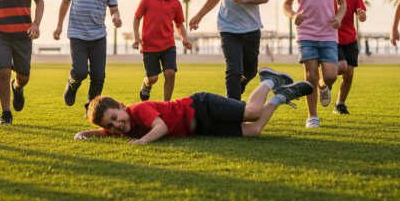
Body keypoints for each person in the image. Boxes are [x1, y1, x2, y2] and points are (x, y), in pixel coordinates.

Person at [75, 68, 313, 144]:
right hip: (199, 128)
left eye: (116, 116)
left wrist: (142, 141)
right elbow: (102, 131)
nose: (118, 125)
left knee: (252, 113)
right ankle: (281, 96)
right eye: (112, 125)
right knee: (254, 130)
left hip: (200, 106)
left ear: (122, 106)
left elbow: (161, 127)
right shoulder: (120, 127)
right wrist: (84, 132)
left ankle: (268, 79)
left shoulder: (138, 110)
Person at [280, 0, 349, 128]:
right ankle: (312, 117)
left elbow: (342, 4)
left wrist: (339, 17)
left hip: (328, 34)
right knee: (310, 75)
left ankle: (323, 85)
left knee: (330, 75)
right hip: (306, 34)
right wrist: (293, 15)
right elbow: (286, 4)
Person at [53, 0, 121, 110]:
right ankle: (72, 84)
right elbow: (65, 2)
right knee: (81, 71)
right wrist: (59, 26)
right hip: (77, 35)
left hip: (98, 36)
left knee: (98, 76)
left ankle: (91, 107)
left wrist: (116, 17)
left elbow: (113, 9)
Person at [132, 0, 193, 102]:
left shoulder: (176, 3)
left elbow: (179, 24)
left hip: (168, 45)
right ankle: (146, 85)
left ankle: (167, 104)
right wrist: (136, 37)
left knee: (170, 73)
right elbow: (136, 18)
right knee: (153, 78)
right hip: (150, 46)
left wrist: (184, 38)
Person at [331, 0, 367, 115]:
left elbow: (362, 15)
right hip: (332, 38)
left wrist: (361, 14)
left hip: (350, 39)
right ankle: (323, 82)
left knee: (349, 73)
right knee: (340, 68)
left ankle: (340, 104)